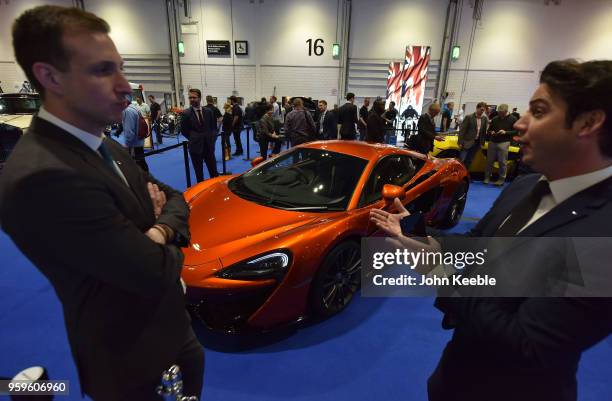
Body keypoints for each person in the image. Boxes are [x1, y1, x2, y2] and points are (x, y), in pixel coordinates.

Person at [370, 59, 612, 401]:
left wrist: (441, 273)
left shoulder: (603, 232)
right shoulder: (523, 187)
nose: (520, 124)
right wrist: (415, 236)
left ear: (588, 123)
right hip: (455, 377)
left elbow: (527, 343)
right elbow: (475, 246)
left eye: (539, 112)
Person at [1, 6, 204, 400]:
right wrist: (165, 230)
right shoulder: (40, 176)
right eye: (102, 70)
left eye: (121, 68)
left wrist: (157, 229)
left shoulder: (102, 142)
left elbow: (178, 199)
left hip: (173, 334)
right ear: (49, 76)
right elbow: (151, 271)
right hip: (131, 362)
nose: (125, 86)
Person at [181, 89, 218, 182]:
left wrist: (212, 139)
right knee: (199, 174)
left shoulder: (209, 112)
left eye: (194, 97)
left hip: (209, 147)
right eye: (190, 97)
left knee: (214, 172)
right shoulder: (186, 114)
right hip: (195, 148)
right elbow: (184, 131)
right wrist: (194, 138)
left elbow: (213, 128)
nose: (192, 99)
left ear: (200, 98)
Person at [485, 103, 517, 185]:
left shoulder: (513, 119)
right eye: (499, 112)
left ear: (506, 111)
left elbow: (516, 131)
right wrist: (490, 132)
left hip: (504, 142)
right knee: (489, 161)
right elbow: (489, 130)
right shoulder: (495, 118)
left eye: (501, 112)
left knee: (502, 162)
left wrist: (505, 132)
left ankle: (501, 179)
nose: (499, 114)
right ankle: (487, 177)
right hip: (492, 141)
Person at [458, 101, 488, 169]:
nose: (482, 111)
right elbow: (462, 130)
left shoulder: (484, 119)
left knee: (470, 160)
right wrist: (460, 142)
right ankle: (458, 176)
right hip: (466, 142)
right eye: (481, 110)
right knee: (462, 160)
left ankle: (465, 175)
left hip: (477, 143)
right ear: (477, 108)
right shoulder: (469, 117)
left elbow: (483, 131)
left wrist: (482, 143)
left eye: (483, 110)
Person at [122, 101, 149, 171]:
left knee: (137, 164)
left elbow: (129, 130)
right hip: (139, 140)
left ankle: (144, 180)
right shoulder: (135, 107)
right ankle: (146, 178)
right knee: (141, 161)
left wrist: (127, 143)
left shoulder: (128, 110)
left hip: (133, 143)